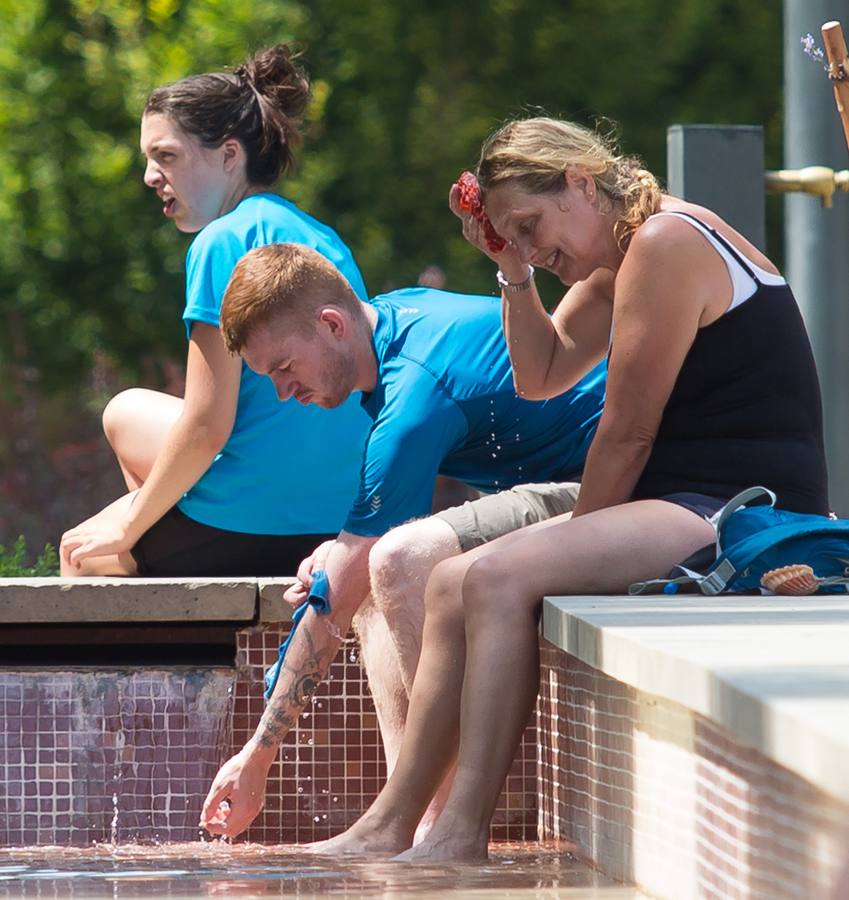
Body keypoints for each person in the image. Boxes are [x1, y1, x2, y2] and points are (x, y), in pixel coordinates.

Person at [308, 115, 830, 862]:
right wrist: (512, 274)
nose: (530, 246)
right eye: (512, 235)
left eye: (530, 226)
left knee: (492, 579)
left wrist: (565, 540)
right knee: (449, 583)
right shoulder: (618, 259)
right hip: (679, 493)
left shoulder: (664, 242)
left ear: (581, 183)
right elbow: (540, 374)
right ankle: (390, 822)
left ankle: (460, 833)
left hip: (739, 507)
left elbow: (627, 433)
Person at [198, 241, 608, 838]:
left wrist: (256, 757)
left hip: (619, 493)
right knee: (366, 570)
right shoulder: (394, 321)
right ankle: (408, 814)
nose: (284, 392)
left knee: (395, 557)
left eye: (284, 369)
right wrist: (344, 553)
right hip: (574, 488)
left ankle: (446, 824)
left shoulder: (414, 388)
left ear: (332, 324)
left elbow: (338, 589)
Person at [59, 46, 371, 578]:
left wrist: (129, 529)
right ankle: (173, 548)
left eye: (167, 156)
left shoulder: (222, 242)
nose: (150, 176)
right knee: (127, 413)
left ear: (230, 156)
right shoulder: (323, 238)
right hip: (341, 517)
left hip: (262, 524)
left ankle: (171, 592)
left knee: (83, 557)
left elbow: (207, 425)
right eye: (148, 160)